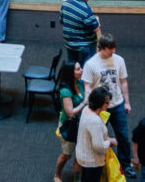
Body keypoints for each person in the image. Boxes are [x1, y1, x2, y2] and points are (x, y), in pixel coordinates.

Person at [82, 34, 136, 178]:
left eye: (114, 49)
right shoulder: (91, 64)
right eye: (110, 49)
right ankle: (98, 165)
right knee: (98, 137)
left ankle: (125, 164)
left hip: (117, 104)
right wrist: (89, 103)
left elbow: (123, 81)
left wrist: (127, 102)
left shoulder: (119, 60)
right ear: (102, 48)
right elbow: (87, 86)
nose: (113, 52)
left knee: (123, 137)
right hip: (100, 108)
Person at [76, 86, 117, 182]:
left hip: (83, 156)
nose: (108, 105)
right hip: (92, 161)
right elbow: (99, 147)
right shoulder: (95, 121)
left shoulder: (86, 109)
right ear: (99, 103)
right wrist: (110, 142)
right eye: (106, 102)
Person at [54, 62, 86, 182]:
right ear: (70, 73)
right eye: (78, 69)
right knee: (66, 155)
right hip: (70, 126)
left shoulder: (78, 82)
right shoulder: (65, 90)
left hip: (81, 125)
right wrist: (84, 103)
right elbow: (70, 112)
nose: (81, 70)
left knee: (80, 156)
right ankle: (57, 175)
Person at [60, 0, 100, 65]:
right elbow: (96, 28)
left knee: (72, 70)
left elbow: (62, 21)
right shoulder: (86, 10)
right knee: (86, 72)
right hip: (85, 47)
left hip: (69, 44)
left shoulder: (66, 3)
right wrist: (97, 19)